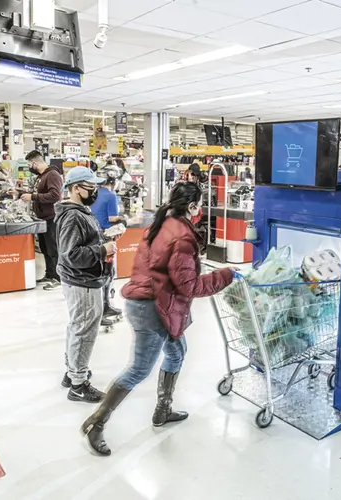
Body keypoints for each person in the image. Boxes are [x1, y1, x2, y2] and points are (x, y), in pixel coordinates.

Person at [80, 182, 234, 456]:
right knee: (140, 368)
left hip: (158, 302)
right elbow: (190, 286)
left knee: (177, 351)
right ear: (192, 206)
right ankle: (97, 422)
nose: (200, 209)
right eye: (199, 204)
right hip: (153, 307)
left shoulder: (162, 223)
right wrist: (225, 275)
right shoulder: (182, 237)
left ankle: (163, 409)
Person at [55, 167, 116, 402]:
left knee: (77, 326)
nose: (95, 191)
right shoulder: (73, 215)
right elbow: (70, 254)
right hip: (82, 281)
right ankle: (78, 384)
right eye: (90, 187)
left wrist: (103, 239)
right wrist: (102, 249)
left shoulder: (81, 211)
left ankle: (72, 373)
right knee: (83, 330)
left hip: (82, 279)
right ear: (76, 188)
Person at [90, 165, 125, 324]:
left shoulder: (94, 193)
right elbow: (112, 219)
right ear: (114, 180)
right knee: (107, 273)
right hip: (106, 237)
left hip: (93, 236)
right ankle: (101, 310)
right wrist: (124, 220)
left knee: (101, 273)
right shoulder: (111, 195)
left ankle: (105, 305)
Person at [24, 150, 63, 290]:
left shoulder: (52, 175)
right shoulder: (41, 176)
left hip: (51, 218)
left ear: (35, 163)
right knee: (45, 248)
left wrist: (33, 197)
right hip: (42, 218)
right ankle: (50, 273)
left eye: (30, 164)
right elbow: (38, 193)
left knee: (53, 248)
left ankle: (59, 278)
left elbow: (55, 196)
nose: (30, 167)